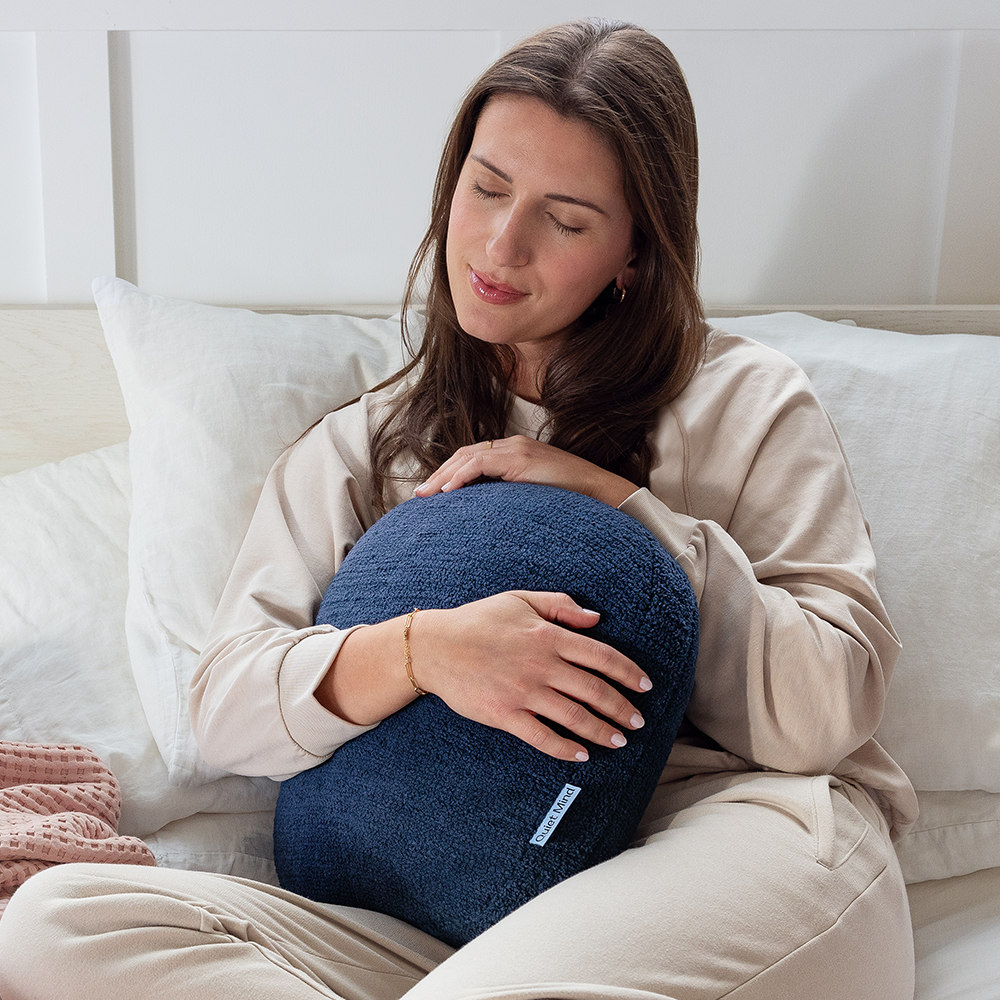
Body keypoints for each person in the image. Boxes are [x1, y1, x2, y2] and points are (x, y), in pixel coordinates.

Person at [0, 18, 918, 1000]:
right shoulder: (362, 448)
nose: (498, 243)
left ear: (634, 255)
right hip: (451, 916)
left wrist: (623, 505)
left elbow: (823, 710)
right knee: (58, 927)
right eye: (484, 188)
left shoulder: (746, 400)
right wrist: (421, 651)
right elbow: (227, 708)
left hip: (730, 837)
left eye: (563, 219)